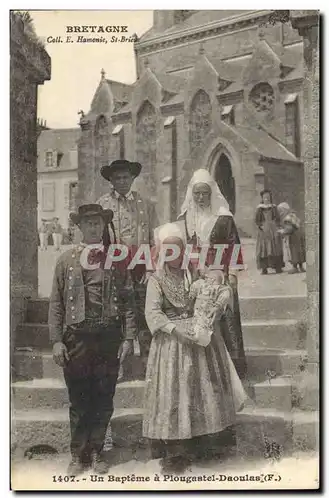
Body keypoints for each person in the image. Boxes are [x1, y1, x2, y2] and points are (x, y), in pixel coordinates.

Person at [143, 222, 247, 474]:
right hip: (172, 344)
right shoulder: (156, 280)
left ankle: (204, 444)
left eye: (177, 250)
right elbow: (152, 314)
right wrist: (178, 331)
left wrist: (216, 307)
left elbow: (213, 292)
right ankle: (175, 453)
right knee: (175, 394)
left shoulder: (194, 274)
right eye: (167, 251)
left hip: (200, 342)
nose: (173, 256)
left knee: (200, 392)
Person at [48, 204, 136, 475]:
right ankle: (78, 454)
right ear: (80, 227)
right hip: (76, 338)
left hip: (108, 336)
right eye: (88, 223)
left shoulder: (116, 259)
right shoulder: (66, 260)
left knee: (104, 395)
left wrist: (129, 337)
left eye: (98, 223)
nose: (94, 227)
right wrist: (56, 340)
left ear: (103, 226)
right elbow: (56, 304)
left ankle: (97, 451)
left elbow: (128, 300)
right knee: (79, 397)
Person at [178, 169, 247, 380]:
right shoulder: (186, 218)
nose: (200, 197)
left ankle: (233, 367)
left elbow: (234, 247)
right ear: (192, 193)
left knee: (224, 319)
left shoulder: (224, 218)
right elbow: (180, 247)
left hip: (220, 276)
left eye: (204, 193)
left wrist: (232, 276)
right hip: (196, 277)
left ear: (211, 194)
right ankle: (204, 370)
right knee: (200, 321)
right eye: (197, 193)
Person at [97, 159, 158, 381]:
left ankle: (148, 363)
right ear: (111, 181)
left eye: (126, 177)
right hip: (115, 267)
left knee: (143, 314)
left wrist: (151, 268)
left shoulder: (145, 204)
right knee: (117, 314)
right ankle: (119, 365)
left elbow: (154, 239)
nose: (122, 182)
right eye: (117, 178)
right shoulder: (103, 204)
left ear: (133, 179)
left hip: (140, 266)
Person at [255, 190, 284, 275]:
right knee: (264, 249)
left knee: (276, 248)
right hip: (264, 230)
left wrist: (277, 226)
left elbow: (277, 218)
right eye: (265, 197)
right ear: (262, 198)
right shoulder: (259, 208)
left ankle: (277, 267)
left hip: (273, 229)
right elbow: (257, 220)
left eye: (268, 197)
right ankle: (264, 269)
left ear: (270, 198)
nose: (266, 199)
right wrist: (261, 226)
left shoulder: (274, 207)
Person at [277, 202, 306, 274]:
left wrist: (282, 231)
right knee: (300, 251)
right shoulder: (293, 215)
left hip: (294, 237)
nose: (280, 213)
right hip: (299, 235)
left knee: (294, 251)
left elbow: (289, 229)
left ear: (285, 210)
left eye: (281, 210)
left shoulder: (288, 218)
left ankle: (295, 267)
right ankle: (301, 267)